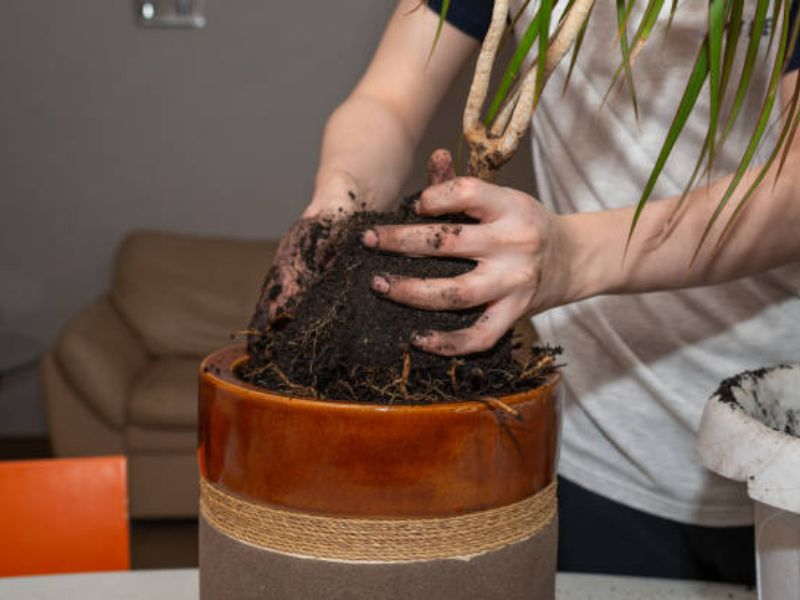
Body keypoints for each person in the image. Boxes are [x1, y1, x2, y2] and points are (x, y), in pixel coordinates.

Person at [260, 0, 800, 584]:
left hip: (785, 424)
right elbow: (388, 100)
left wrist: (569, 256)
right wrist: (335, 206)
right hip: (600, 444)